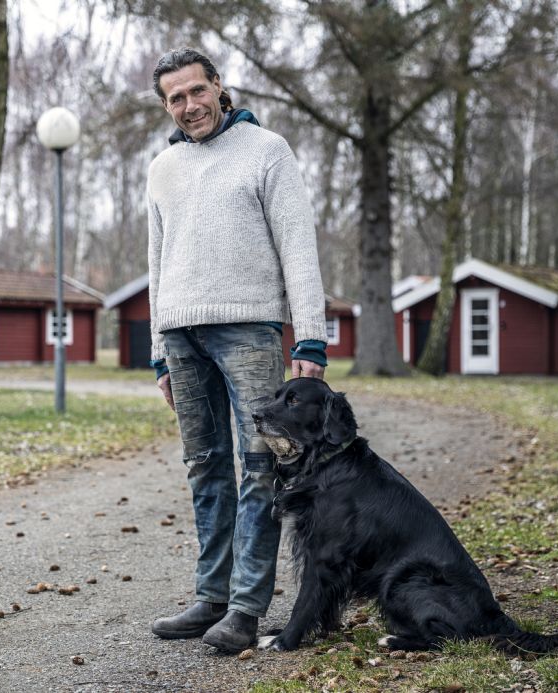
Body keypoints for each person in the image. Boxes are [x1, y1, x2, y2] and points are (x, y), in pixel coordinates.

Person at [146, 47, 329, 652]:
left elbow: (298, 247)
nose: (189, 105)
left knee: (260, 466)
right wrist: (158, 351)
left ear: (218, 86)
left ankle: (246, 609)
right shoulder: (162, 168)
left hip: (249, 330)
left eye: (197, 91)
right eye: (176, 98)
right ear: (166, 106)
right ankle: (211, 597)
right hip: (181, 335)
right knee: (204, 466)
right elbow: (156, 263)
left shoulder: (266, 150)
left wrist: (311, 337)